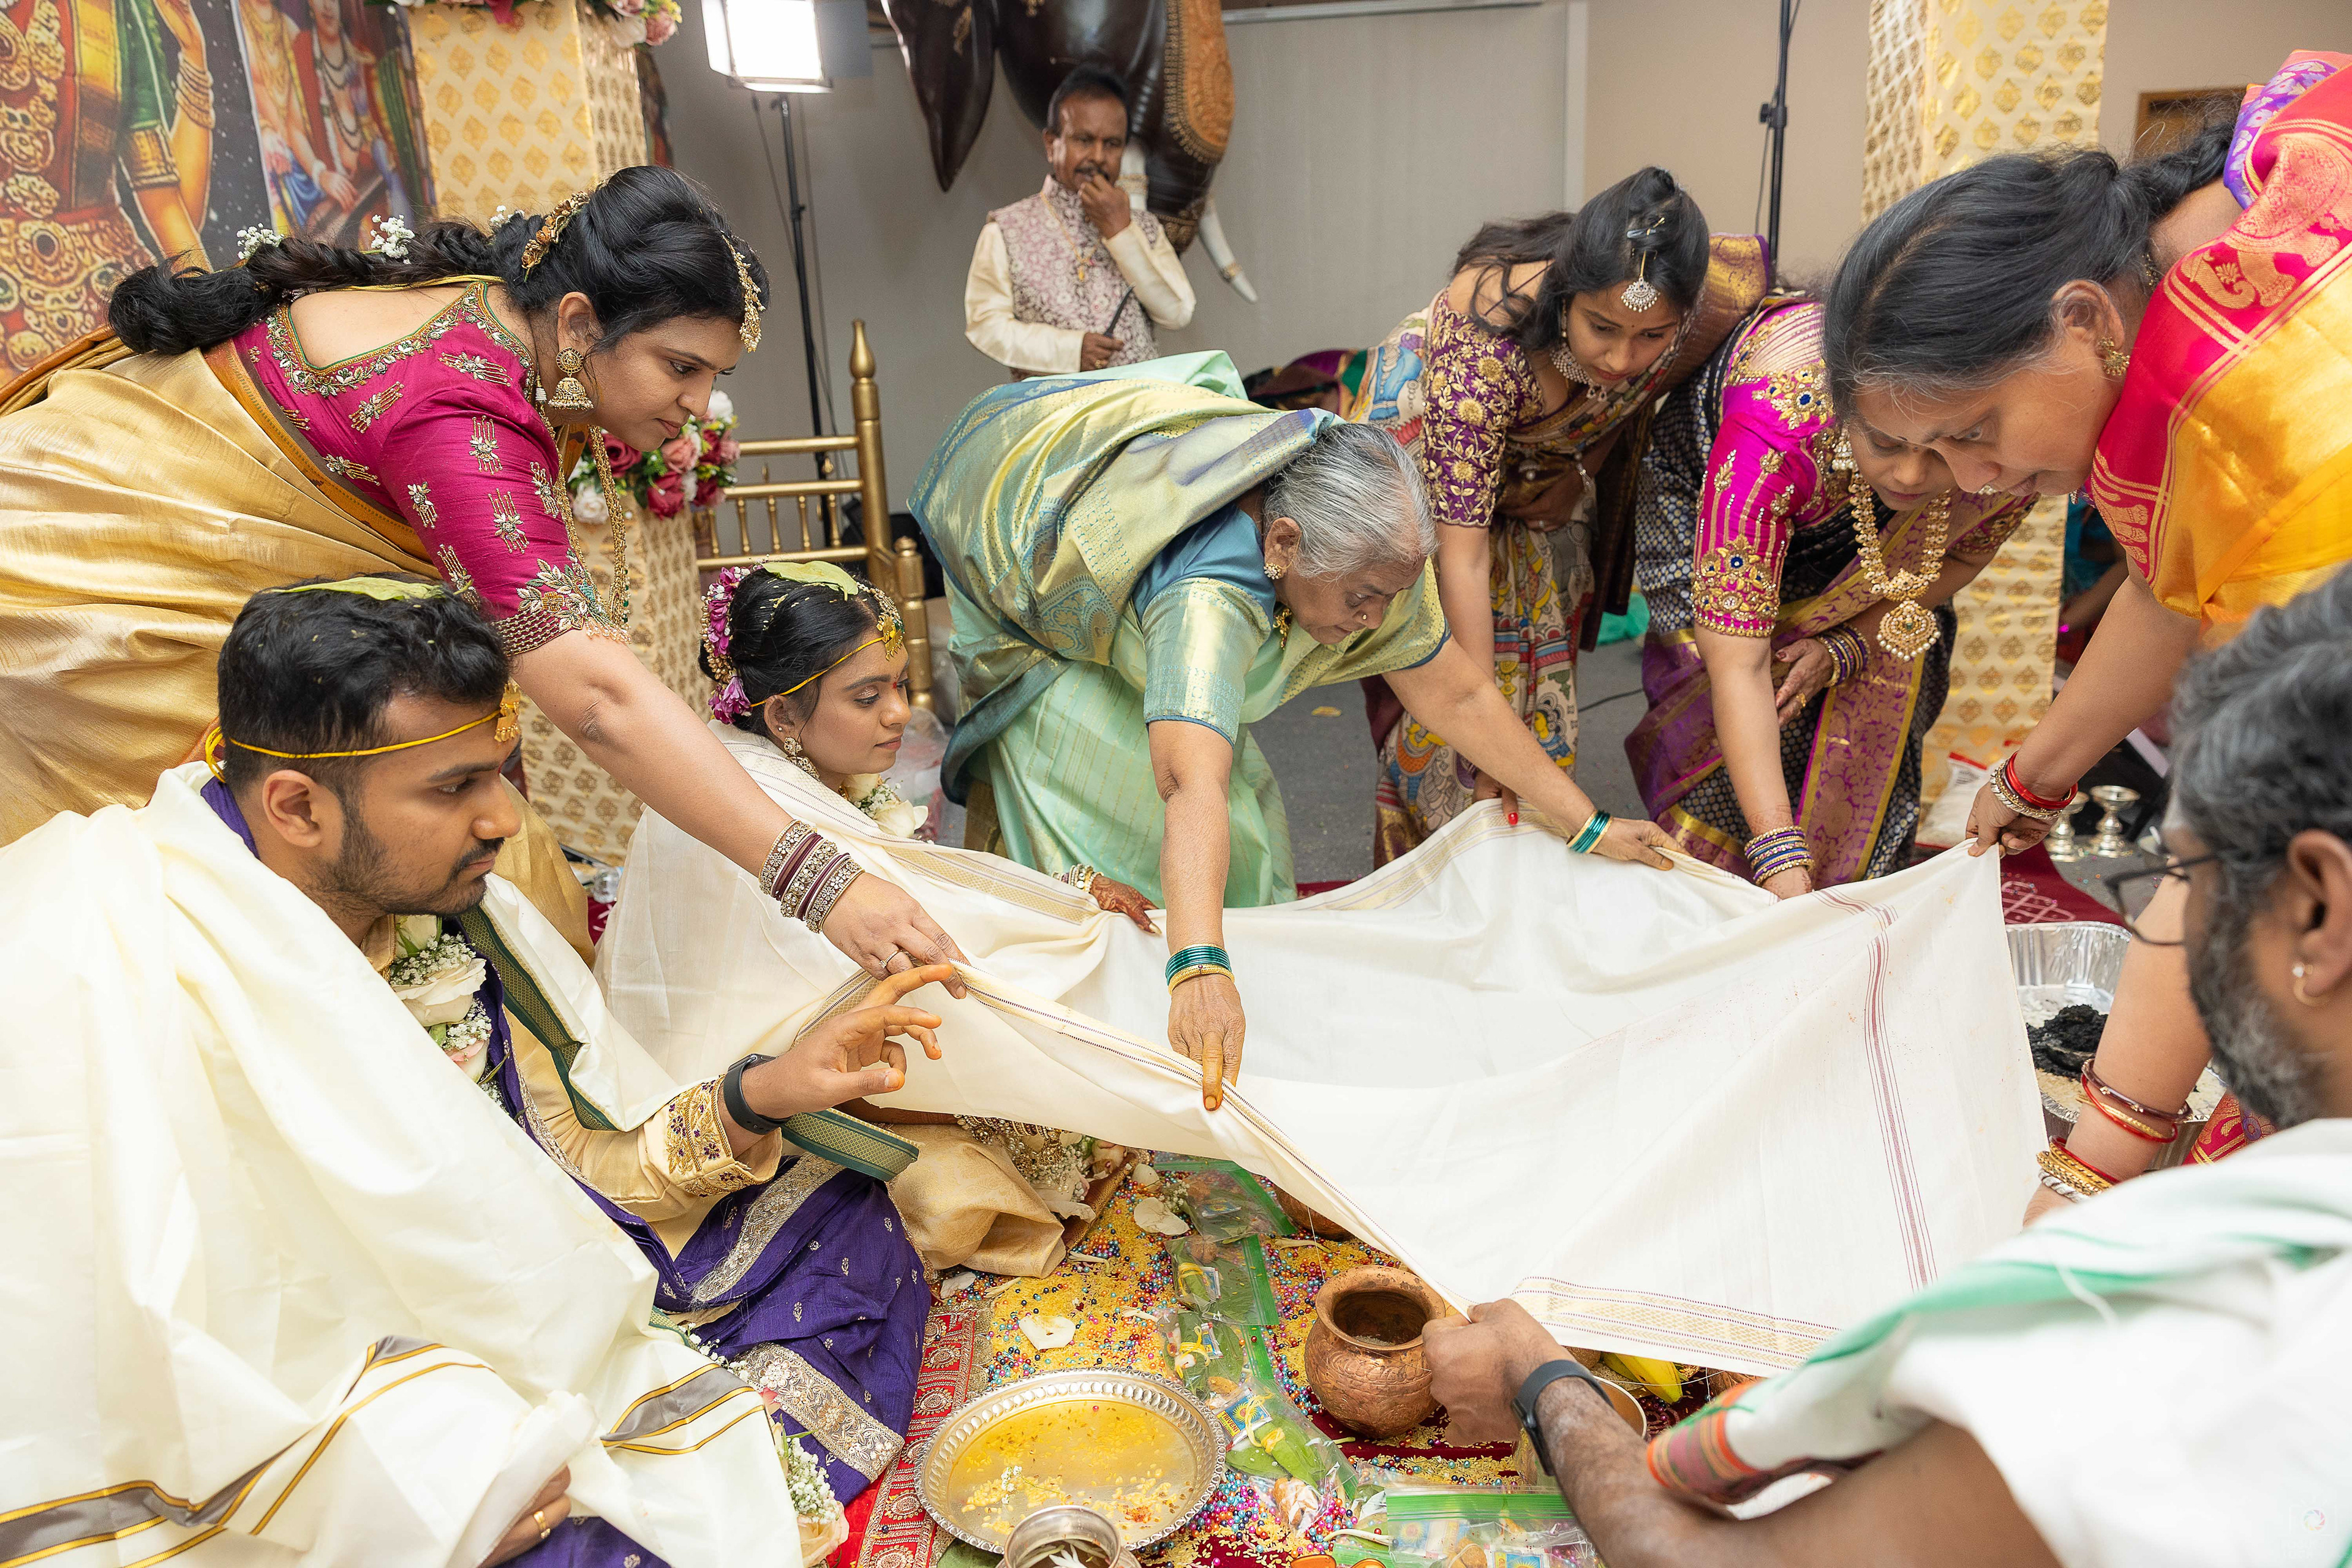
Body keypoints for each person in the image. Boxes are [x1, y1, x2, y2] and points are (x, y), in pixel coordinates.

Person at [0, 576, 980, 1563]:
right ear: (296, 807)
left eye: (502, 773)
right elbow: (134, 1337)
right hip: (308, 1383)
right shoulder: (96, 948)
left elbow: (579, 1162)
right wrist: (404, 1494)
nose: (506, 819)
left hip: (492, 1293)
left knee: (847, 1216)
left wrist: (764, 1092)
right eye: (454, 787)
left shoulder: (450, 906)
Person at [1422, 566, 2352, 1567]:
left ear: (2318, 909)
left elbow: (1711, 1563)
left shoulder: (2220, 1333)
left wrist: (1542, 1381)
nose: (2169, 931)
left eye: (2184, 877)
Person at [0, 164, 967, 986]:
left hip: (163, 547)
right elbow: (597, 699)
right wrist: (825, 885)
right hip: (90, 593)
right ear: (580, 322)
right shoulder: (459, 407)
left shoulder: (501, 318)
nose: (698, 405)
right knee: (219, 912)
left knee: (496, 886)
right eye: (680, 367)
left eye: (713, 376)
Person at [1822, 57, 2350, 1216]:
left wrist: (2089, 1167)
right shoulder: (2246, 192)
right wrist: (2038, 773)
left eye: (1976, 431)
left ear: (2080, 320)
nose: (1974, 480)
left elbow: (2249, 820)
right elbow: (2175, 586)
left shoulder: (2263, 391)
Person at [913, 351, 1676, 1107]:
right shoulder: (1208, 602)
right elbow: (1188, 780)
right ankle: (1131, 1087)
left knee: (1241, 852)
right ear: (1282, 545)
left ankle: (1246, 1046)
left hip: (1175, 591)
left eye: (1390, 597)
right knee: (1122, 853)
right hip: (1048, 589)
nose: (1375, 621)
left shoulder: (1372, 553)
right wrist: (1197, 967)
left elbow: (1460, 693)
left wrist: (1587, 822)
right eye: (1363, 598)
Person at [598, 559, 1151, 1277]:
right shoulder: (742, 799)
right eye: (867, 696)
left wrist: (1068, 898)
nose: (899, 712)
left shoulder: (809, 774)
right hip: (752, 1105)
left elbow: (919, 902)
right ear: (782, 717)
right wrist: (1064, 910)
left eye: (899, 684)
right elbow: (850, 967)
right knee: (964, 1189)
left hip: (843, 1055)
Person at [1351, 168, 1768, 864]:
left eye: (1651, 336)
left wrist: (1582, 470)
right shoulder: (1483, 354)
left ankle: (1541, 832)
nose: (1622, 357)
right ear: (1566, 293)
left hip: (1549, 453)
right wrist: (1482, 741)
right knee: (1443, 675)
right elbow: (1464, 558)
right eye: (1602, 328)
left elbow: (1633, 389)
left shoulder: (1704, 295)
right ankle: (1439, 862)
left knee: (1545, 637)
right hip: (1427, 452)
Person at [1627, 294, 2034, 892]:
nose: (1910, 475)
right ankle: (1720, 888)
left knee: (1900, 651)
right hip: (1710, 488)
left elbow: (1963, 555)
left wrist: (1848, 643)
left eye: (1941, 449)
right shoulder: (1775, 430)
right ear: (1847, 410)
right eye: (1888, 444)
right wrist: (1776, 854)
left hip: (1866, 533)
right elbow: (1737, 663)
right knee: (1742, 686)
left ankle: (1853, 891)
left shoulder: (2006, 452)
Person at [963, 65, 1196, 377]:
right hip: (1053, 403)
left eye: (1112, 144)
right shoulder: (1005, 230)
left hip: (1141, 400)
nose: (1098, 156)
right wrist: (1070, 350)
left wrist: (1121, 232)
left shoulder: (1144, 227)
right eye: (1084, 140)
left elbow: (1177, 313)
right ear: (1052, 144)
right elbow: (986, 325)